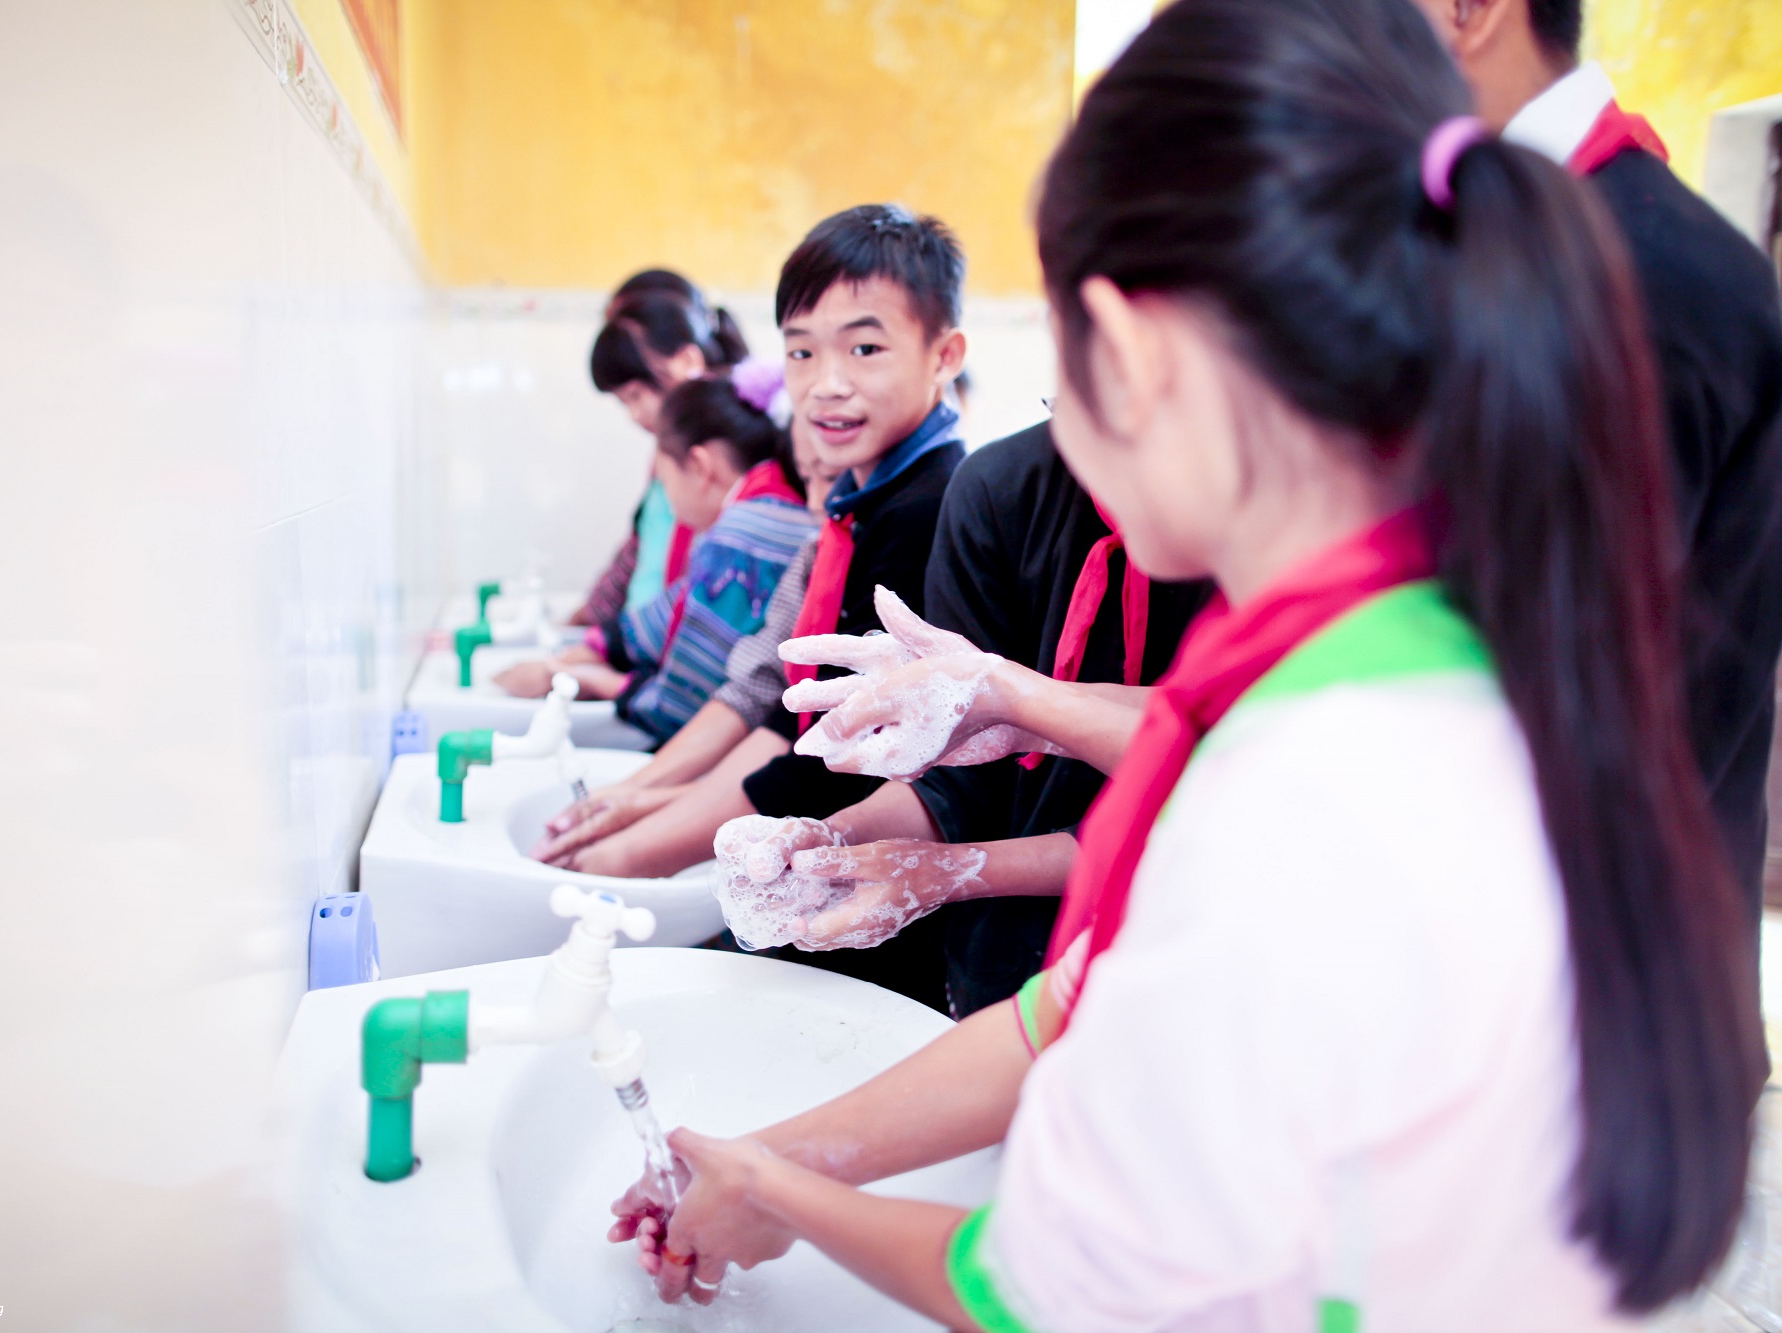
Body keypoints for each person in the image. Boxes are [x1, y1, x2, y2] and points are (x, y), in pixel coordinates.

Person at [606, 0, 1765, 1324]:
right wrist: (774, 1163)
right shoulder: (1415, 651)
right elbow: (1068, 1007)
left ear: (1131, 348)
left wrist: (784, 1196)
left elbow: (1039, 1292)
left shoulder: (1300, 793)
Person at [1409, 0, 1782, 916]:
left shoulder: (1647, 280)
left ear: (1468, 11)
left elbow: (1575, 715)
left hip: (1604, 991)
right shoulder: (1493, 247)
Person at [527, 207, 969, 934]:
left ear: (944, 355)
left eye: (863, 349)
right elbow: (782, 703)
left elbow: (831, 753)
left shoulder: (928, 510)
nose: (826, 383)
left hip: (887, 885)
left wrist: (640, 844)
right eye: (802, 353)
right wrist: (644, 802)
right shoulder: (866, 498)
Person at [714, 419, 1213, 1018]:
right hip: (1004, 964)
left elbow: (1224, 780)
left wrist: (956, 865)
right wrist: (837, 839)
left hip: (1188, 963)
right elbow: (964, 781)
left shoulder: (1272, 529)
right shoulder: (1001, 487)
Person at [532, 411, 842, 869]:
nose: (816, 502)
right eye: (809, 478)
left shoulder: (749, 529)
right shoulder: (811, 537)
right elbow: (768, 695)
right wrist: (639, 795)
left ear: (698, 465)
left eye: (832, 479)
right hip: (764, 780)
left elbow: (724, 703)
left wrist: (641, 807)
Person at [498, 375, 816, 742]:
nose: (671, 505)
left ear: (699, 467)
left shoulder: (744, 532)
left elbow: (684, 709)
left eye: (665, 485)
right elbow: (667, 613)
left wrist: (588, 679)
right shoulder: (771, 508)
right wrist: (583, 655)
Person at [572, 279, 752, 628]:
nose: (634, 416)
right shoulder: (668, 451)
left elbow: (707, 575)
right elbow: (642, 546)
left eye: (637, 396)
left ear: (686, 359)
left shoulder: (722, 449)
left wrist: (619, 648)